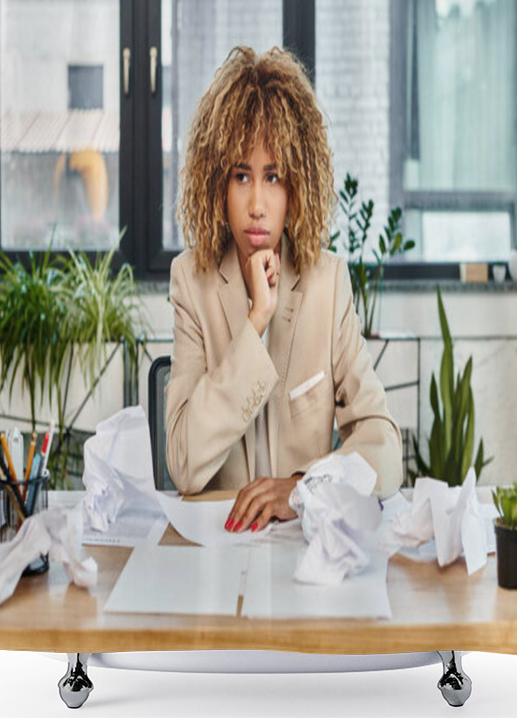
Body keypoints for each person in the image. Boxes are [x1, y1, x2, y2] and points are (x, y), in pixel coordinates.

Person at [165, 46, 402, 535]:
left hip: (306, 550)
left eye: (273, 177)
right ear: (217, 184)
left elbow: (384, 445)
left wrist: (303, 488)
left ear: (297, 186)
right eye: (241, 176)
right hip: (218, 550)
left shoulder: (328, 282)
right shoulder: (193, 281)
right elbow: (184, 464)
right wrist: (255, 322)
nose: (256, 204)